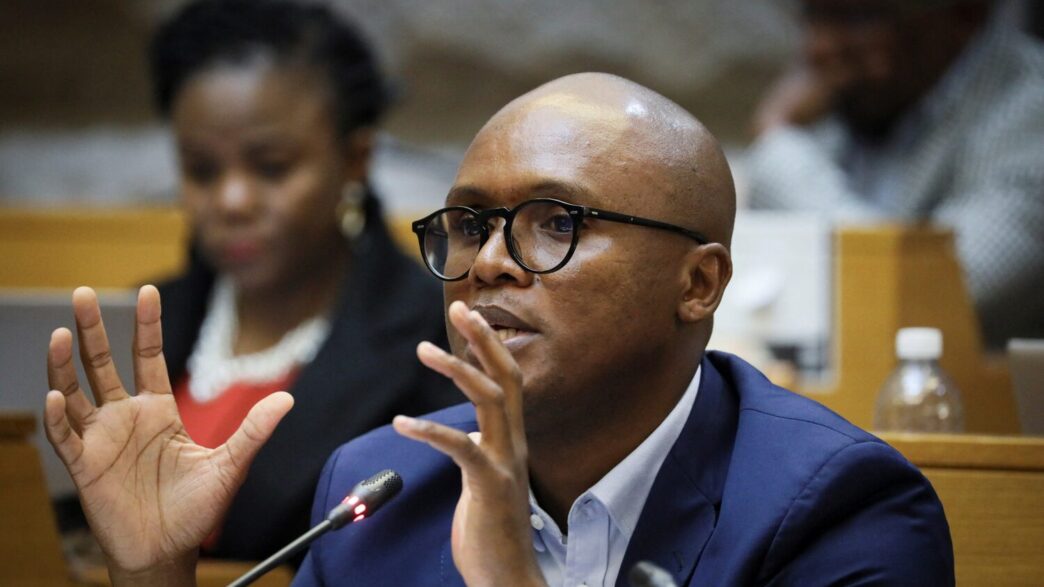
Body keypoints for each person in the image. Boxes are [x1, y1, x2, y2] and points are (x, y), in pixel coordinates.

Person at [43, 73, 954, 586]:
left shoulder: (839, 513)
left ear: (698, 282)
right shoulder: (373, 492)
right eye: (469, 225)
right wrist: (157, 576)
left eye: (556, 222)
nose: (486, 264)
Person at [68, 0, 459, 563]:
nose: (232, 200)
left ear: (355, 159)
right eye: (202, 169)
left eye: (271, 166)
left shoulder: (432, 339)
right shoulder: (145, 319)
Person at [746, 0, 1044, 350]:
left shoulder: (1031, 109)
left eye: (858, 16)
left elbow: (930, 299)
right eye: (813, 14)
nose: (819, 47)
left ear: (965, 12)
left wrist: (776, 142)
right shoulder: (856, 96)